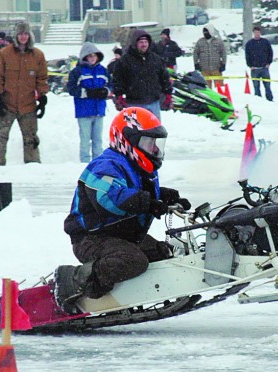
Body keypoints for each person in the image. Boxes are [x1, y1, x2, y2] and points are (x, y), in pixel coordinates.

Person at [55, 107, 191, 313]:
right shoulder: (105, 165)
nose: (154, 149)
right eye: (149, 143)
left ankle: (127, 294)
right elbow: (109, 198)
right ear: (127, 141)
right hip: (91, 238)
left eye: (157, 144)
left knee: (161, 254)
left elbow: (132, 190)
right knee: (133, 261)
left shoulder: (135, 167)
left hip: (119, 237)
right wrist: (147, 202)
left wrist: (163, 196)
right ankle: (74, 281)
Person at [0, 22, 48, 165]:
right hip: (6, 103)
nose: (23, 37)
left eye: (26, 34)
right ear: (16, 36)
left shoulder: (38, 55)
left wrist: (42, 97)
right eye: (20, 34)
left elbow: (41, 78)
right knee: (0, 137)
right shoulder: (4, 54)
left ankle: (33, 167)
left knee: (31, 138)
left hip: (28, 105)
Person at [112, 30, 171, 120]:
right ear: (135, 43)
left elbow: (164, 78)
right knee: (136, 131)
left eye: (146, 42)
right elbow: (117, 80)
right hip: (134, 104)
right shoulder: (125, 61)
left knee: (155, 131)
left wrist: (168, 94)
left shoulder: (156, 59)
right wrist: (119, 96)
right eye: (141, 42)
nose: (144, 44)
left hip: (153, 103)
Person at [68, 42, 110, 163]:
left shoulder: (103, 70)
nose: (92, 58)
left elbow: (111, 84)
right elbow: (71, 89)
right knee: (85, 140)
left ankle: (98, 163)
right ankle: (85, 163)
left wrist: (105, 91)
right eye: (89, 55)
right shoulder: (77, 72)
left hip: (99, 110)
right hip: (84, 111)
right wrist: (87, 93)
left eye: (94, 55)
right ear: (85, 57)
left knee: (98, 140)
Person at [245, 26, 274, 102]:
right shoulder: (249, 44)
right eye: (255, 32)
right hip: (254, 69)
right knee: (256, 86)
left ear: (260, 33)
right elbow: (247, 56)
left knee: (267, 86)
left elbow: (270, 53)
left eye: (258, 32)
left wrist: (268, 63)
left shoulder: (265, 42)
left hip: (264, 68)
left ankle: (270, 100)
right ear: (253, 33)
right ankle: (258, 101)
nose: (256, 34)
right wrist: (250, 65)